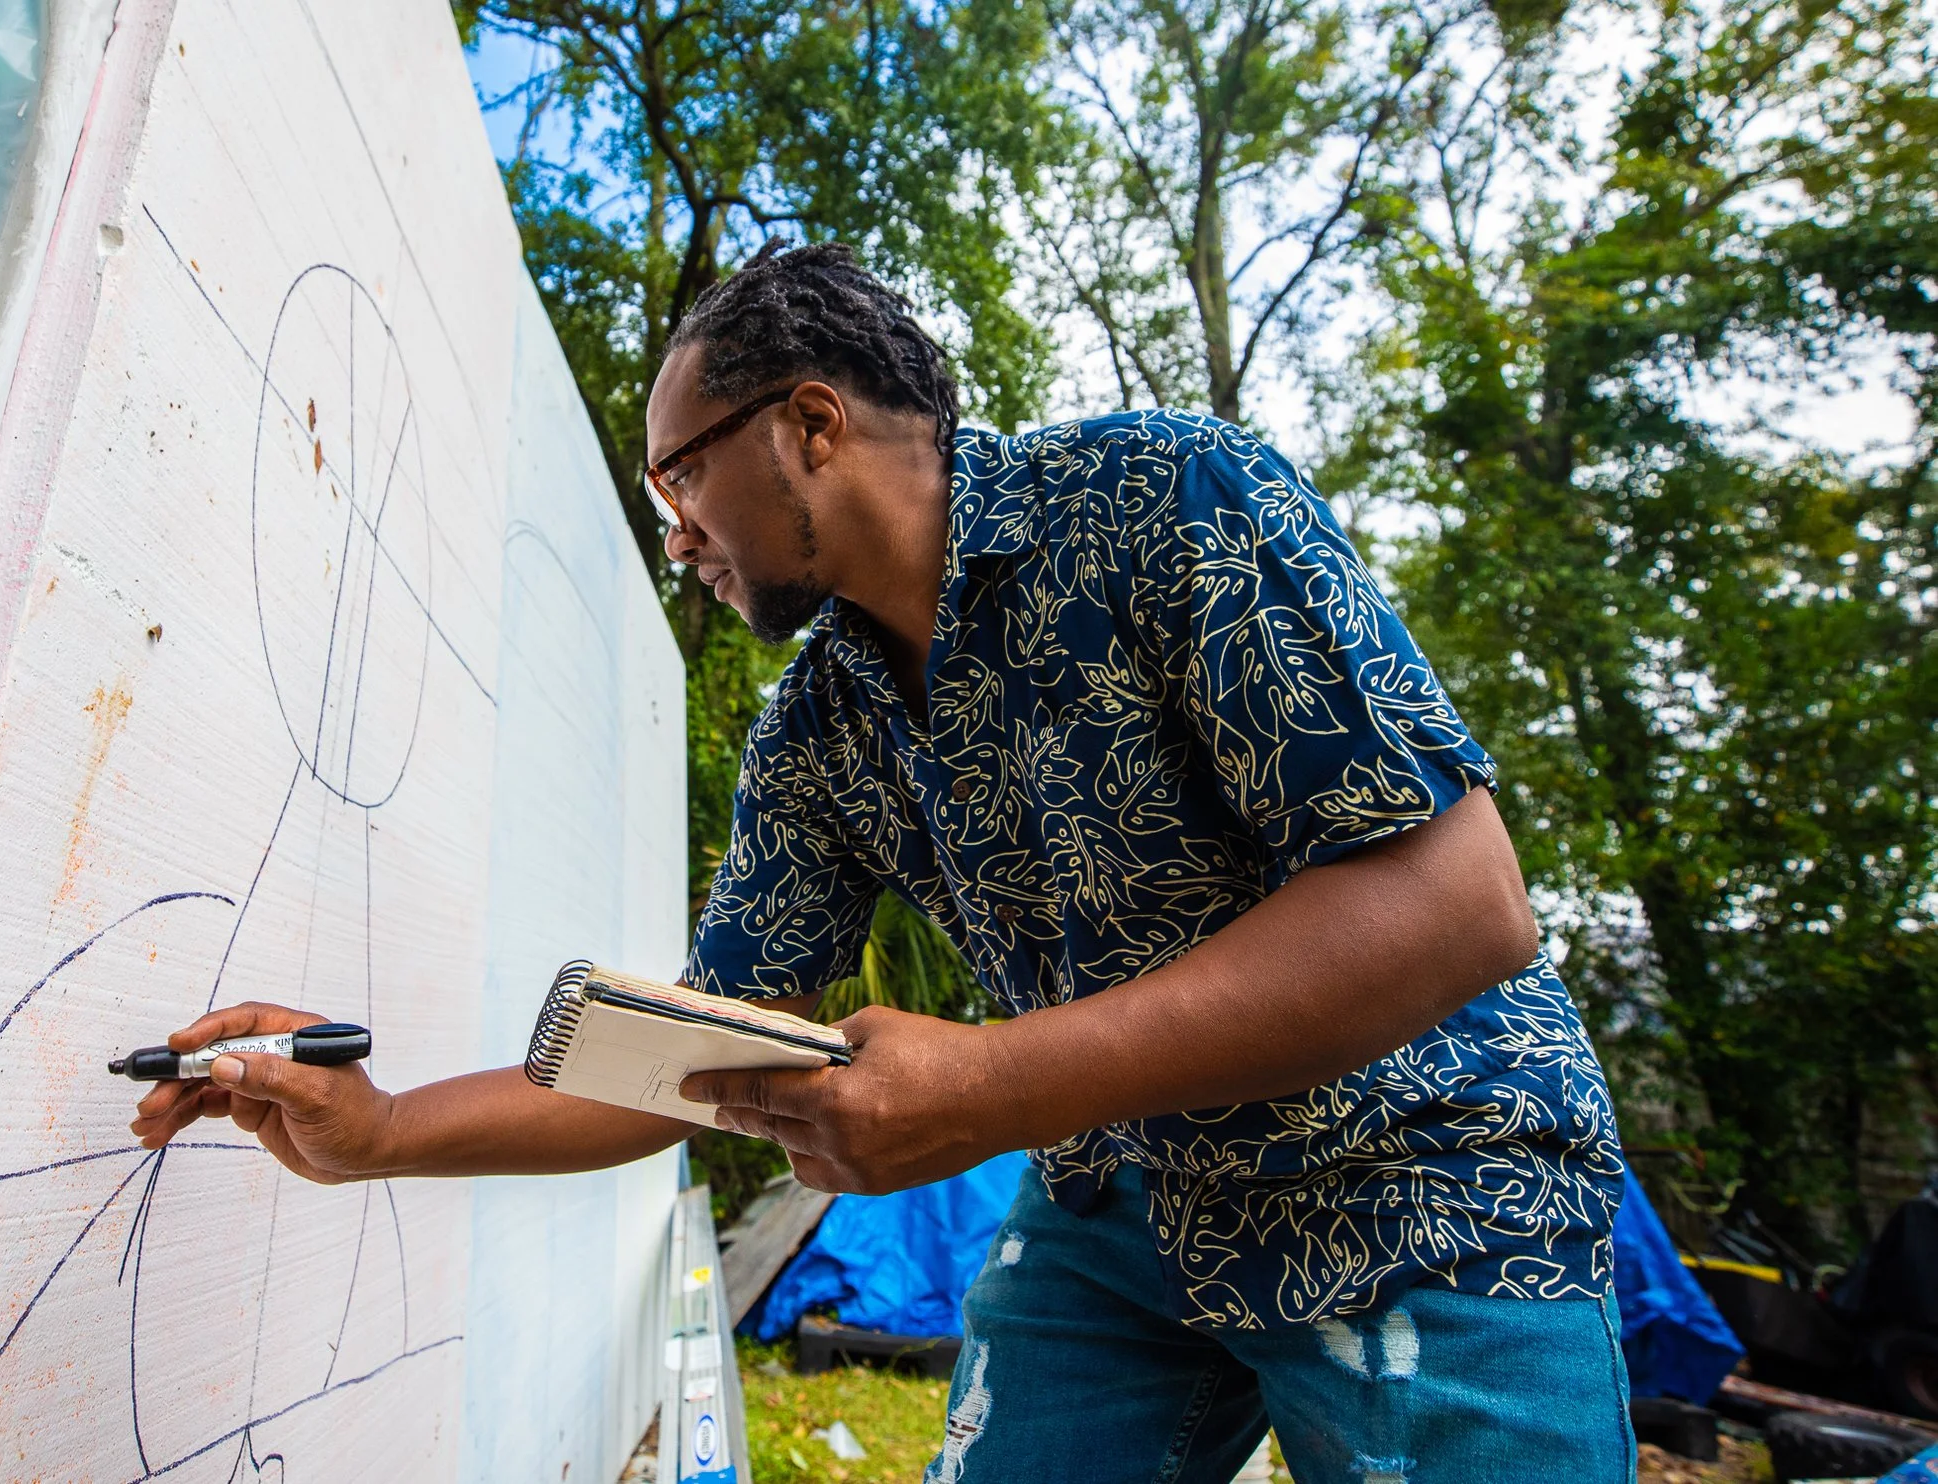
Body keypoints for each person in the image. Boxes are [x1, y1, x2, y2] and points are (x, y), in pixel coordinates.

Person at [130, 243, 1631, 1483]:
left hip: (1422, 1168)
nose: (678, 542)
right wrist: (380, 1129)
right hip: (1123, 1211)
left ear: (810, 422)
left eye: (677, 484)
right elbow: (687, 1067)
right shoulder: (817, 735)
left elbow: (1459, 904)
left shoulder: (1169, 498)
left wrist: (988, 1087)